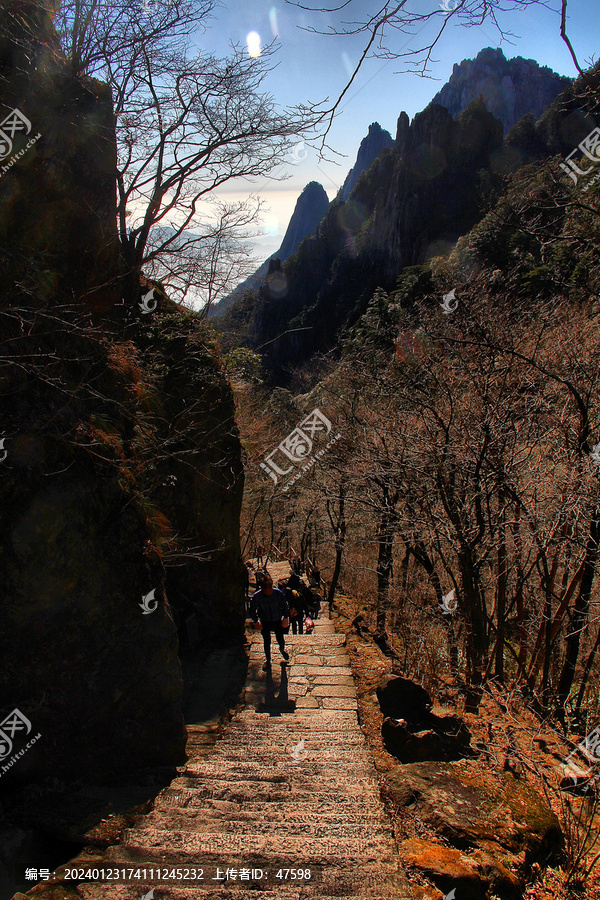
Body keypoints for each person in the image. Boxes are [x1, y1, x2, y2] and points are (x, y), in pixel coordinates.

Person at [250, 571, 290, 670]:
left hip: (277, 619)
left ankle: (282, 649)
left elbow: (285, 605)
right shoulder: (257, 596)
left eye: (271, 587)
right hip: (265, 621)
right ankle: (268, 660)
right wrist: (256, 621)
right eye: (268, 588)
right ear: (262, 588)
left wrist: (285, 617)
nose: (270, 590)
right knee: (266, 640)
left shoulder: (277, 593)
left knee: (280, 638)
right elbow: (252, 609)